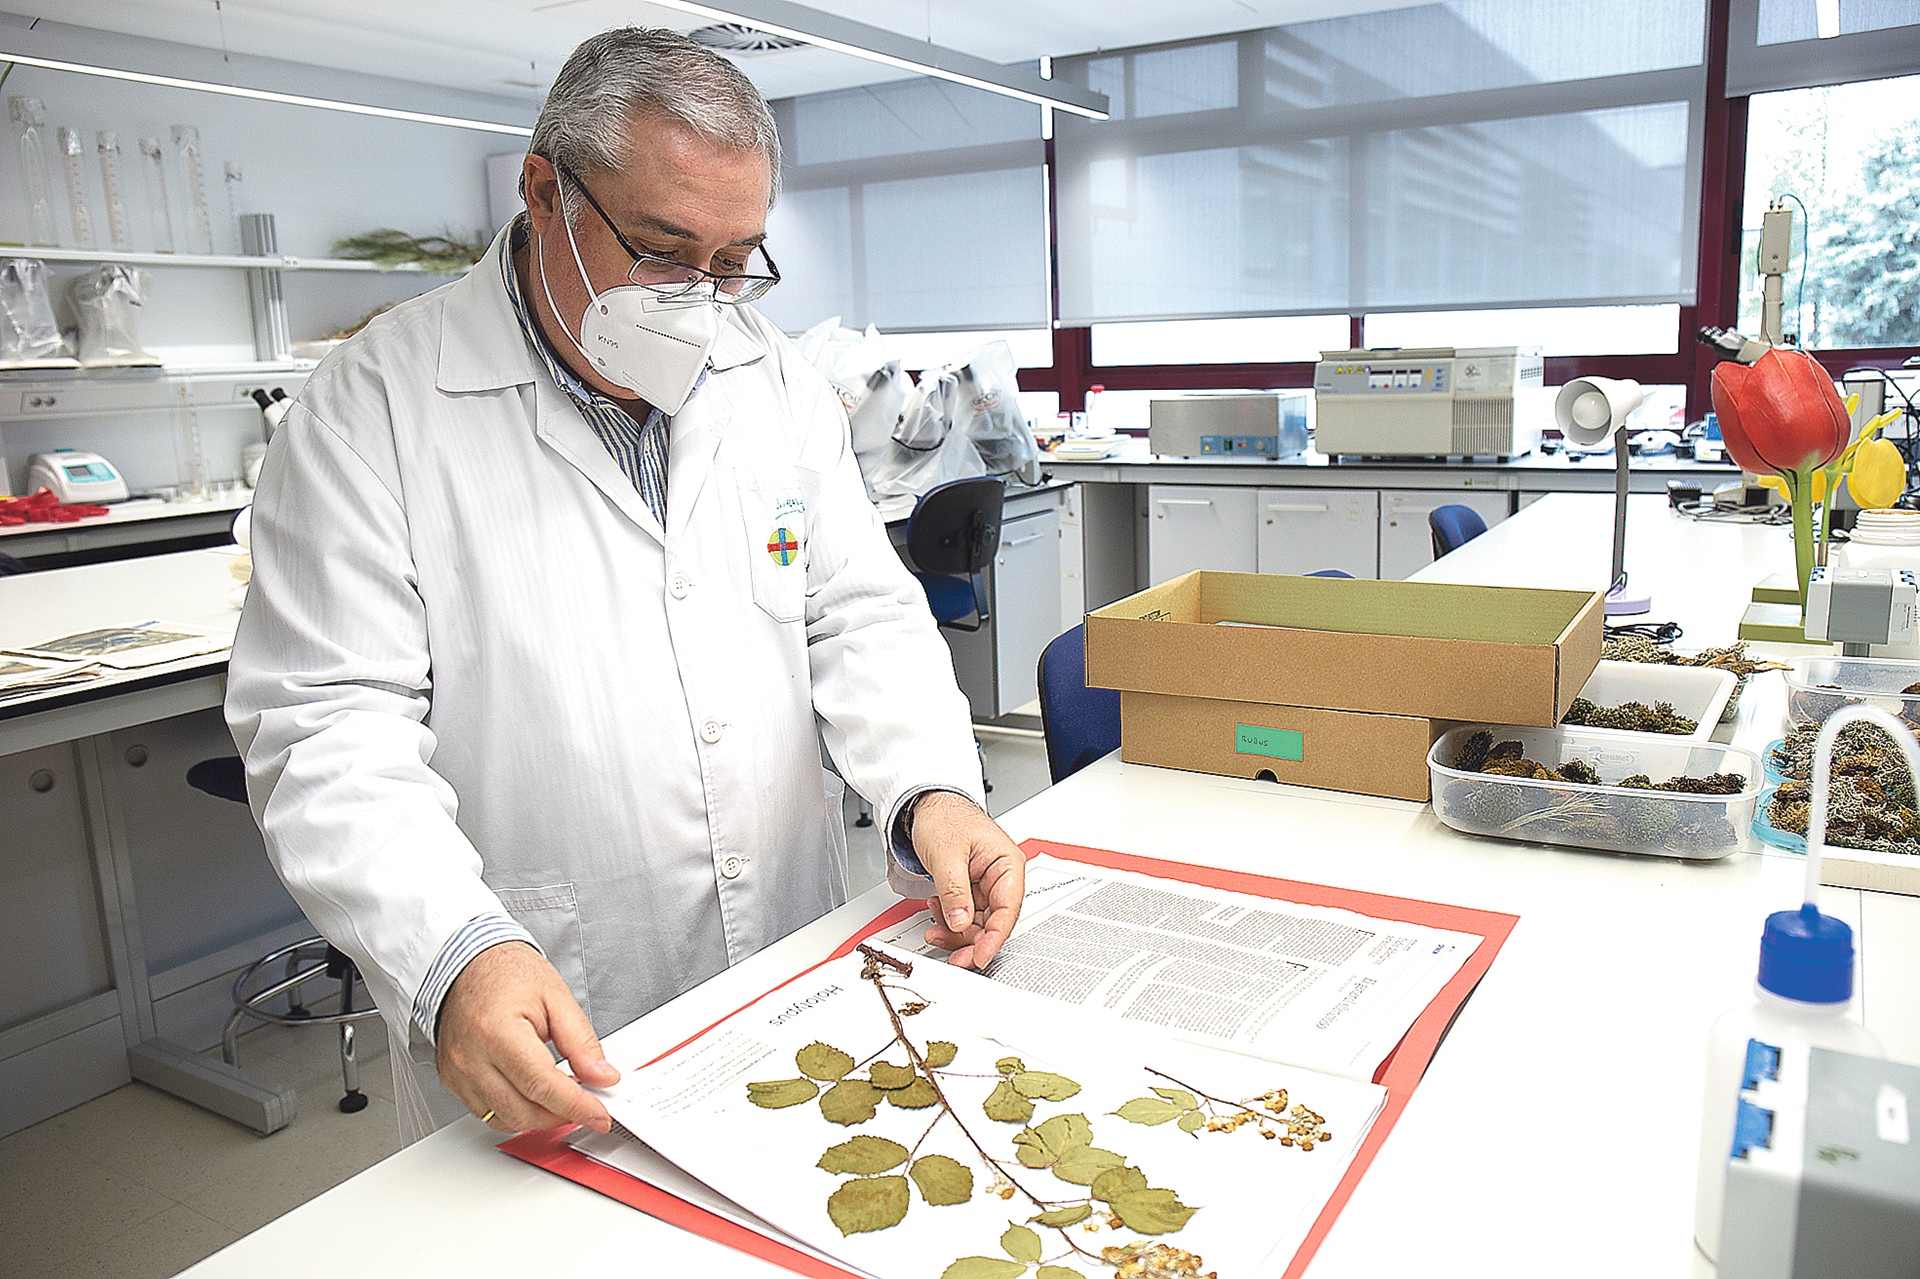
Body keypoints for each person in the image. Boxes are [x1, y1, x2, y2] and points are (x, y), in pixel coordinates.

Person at [225, 26, 1025, 1143]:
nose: (703, 296)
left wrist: (928, 790)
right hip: (542, 997)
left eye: (737, 258)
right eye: (661, 248)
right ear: (545, 192)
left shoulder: (771, 377)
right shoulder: (376, 408)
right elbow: (326, 725)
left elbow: (853, 613)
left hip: (787, 970)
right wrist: (454, 949)